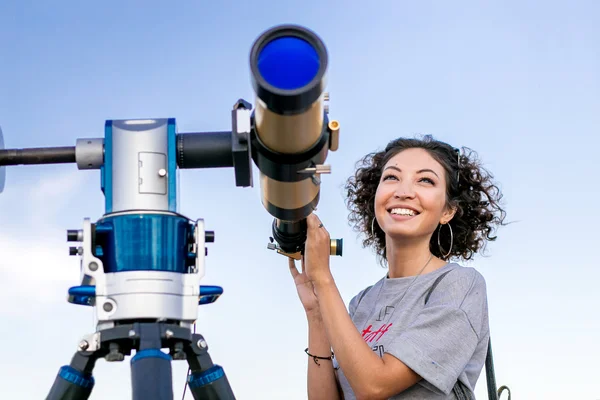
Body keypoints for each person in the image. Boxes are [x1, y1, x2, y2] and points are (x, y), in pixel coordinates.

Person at [288, 135, 507, 399]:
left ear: (447, 211)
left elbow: (374, 386)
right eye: (391, 177)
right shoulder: (363, 302)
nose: (403, 191)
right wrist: (317, 314)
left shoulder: (459, 284)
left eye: (425, 180)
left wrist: (324, 278)